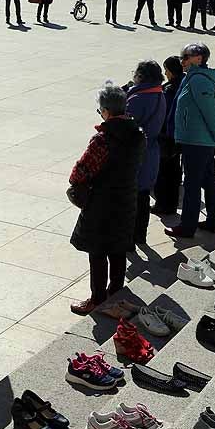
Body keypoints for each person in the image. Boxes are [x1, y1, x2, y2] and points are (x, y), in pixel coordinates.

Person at [66, 82, 145, 315]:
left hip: (102, 202)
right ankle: (116, 294)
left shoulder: (103, 139)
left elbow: (79, 173)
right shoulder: (138, 135)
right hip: (127, 198)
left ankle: (98, 298)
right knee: (119, 249)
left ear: (106, 111)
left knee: (98, 251)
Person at [165, 43, 215, 239]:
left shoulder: (199, 80)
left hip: (198, 141)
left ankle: (187, 226)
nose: (182, 61)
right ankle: (214, 221)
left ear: (199, 58)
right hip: (198, 139)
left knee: (192, 184)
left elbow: (210, 112)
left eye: (186, 57)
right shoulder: (193, 77)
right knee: (208, 180)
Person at [125, 61, 166, 244]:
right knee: (143, 198)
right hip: (151, 151)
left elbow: (125, 127)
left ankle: (129, 238)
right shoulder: (159, 94)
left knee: (130, 198)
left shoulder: (137, 98)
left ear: (141, 76)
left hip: (135, 154)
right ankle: (140, 235)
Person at [151, 55, 185, 216]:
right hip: (180, 134)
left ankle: (163, 204)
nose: (165, 73)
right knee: (174, 170)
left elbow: (163, 113)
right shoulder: (184, 82)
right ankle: (171, 202)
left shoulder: (169, 89)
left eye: (166, 70)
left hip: (166, 135)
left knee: (164, 171)